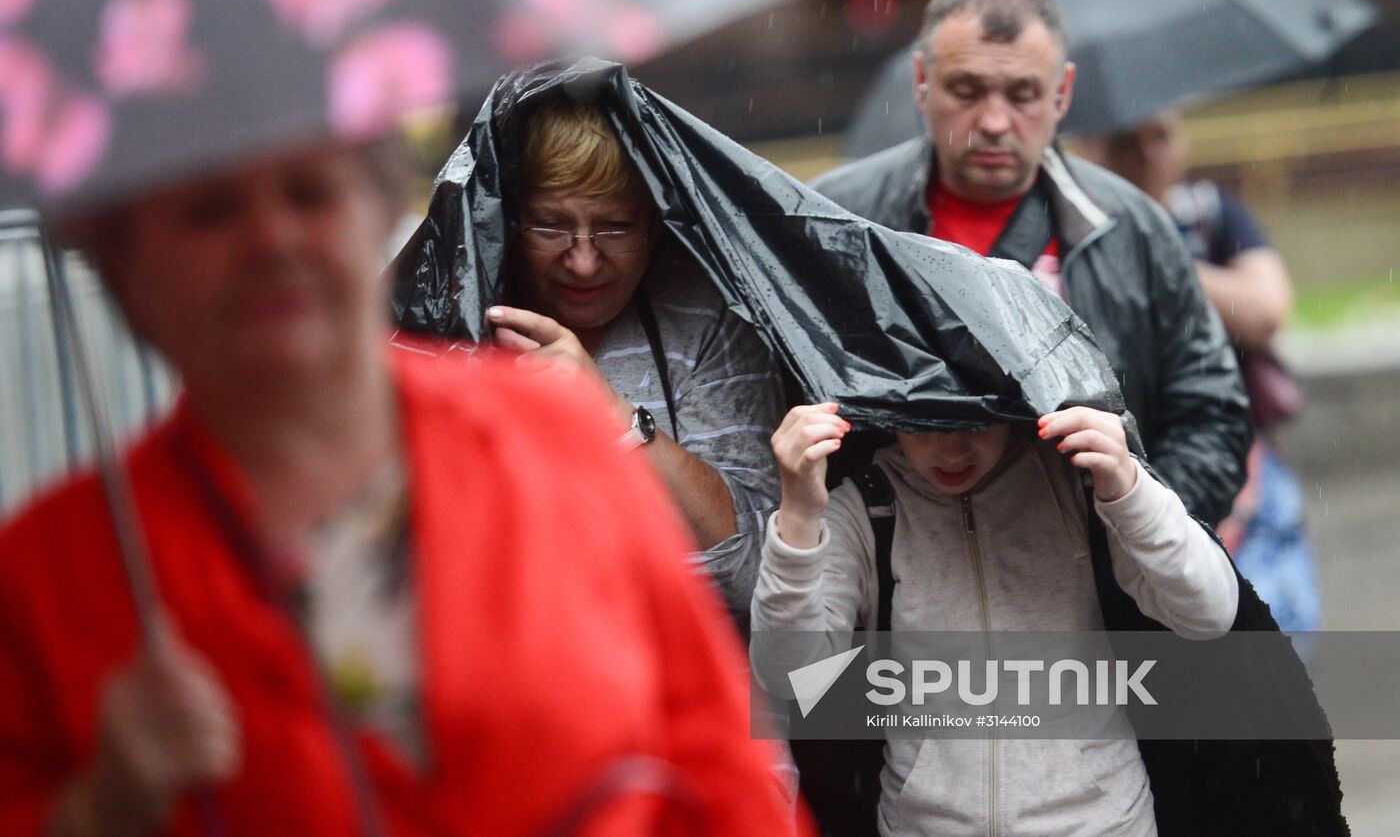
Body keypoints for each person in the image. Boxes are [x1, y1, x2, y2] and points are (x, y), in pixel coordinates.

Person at [0, 139, 805, 836]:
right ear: (124, 264)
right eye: (210, 211)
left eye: (310, 192)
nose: (270, 237)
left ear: (383, 205)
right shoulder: (51, 573)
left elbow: (714, 761)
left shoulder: (550, 433)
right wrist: (100, 808)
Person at [810, 0, 1251, 530]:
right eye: (966, 90)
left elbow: (1212, 412)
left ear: (1062, 93)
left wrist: (1134, 533)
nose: (994, 121)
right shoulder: (837, 216)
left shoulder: (1132, 227)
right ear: (922, 80)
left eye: (1022, 94)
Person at [751, 401, 1238, 835]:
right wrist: (798, 514)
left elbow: (1209, 613)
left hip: (1101, 821)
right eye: (925, 425)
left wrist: (1129, 490)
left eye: (976, 423)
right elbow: (792, 677)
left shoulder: (1075, 479)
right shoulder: (869, 504)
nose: (952, 449)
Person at [478, 95, 788, 620]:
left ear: (656, 224)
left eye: (615, 228)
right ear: (507, 221)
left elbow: (756, 578)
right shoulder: (461, 317)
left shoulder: (704, 320)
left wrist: (612, 416)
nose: (582, 262)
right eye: (550, 226)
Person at [1082, 110, 1319, 637]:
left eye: (1161, 137)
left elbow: (1266, 310)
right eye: (1128, 142)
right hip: (1131, 459)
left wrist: (1154, 252)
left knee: (1271, 612)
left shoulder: (1212, 217)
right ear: (1097, 149)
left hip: (1236, 449)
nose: (1148, 157)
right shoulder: (1075, 238)